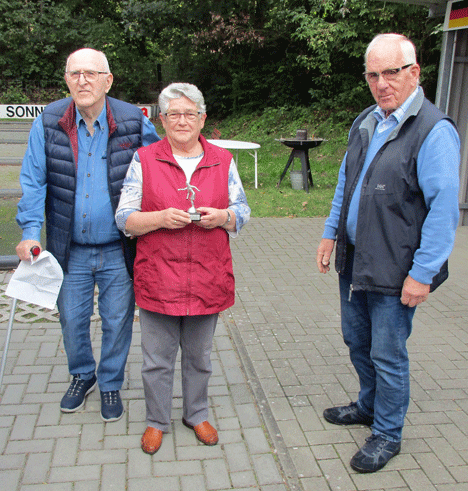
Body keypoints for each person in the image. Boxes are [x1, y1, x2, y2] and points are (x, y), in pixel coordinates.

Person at [316, 33, 460, 473]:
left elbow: (444, 210)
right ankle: (368, 405)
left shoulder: (434, 131)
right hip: (355, 259)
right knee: (356, 340)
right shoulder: (366, 120)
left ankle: (387, 433)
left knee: (388, 353)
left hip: (397, 268)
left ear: (414, 72)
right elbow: (346, 180)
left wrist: (423, 273)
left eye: (391, 73)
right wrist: (329, 233)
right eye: (373, 75)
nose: (381, 84)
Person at [15, 48, 160, 422]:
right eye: (74, 73)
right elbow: (33, 182)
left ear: (107, 81)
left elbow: (160, 169)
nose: (83, 80)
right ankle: (82, 375)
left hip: (119, 247)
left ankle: (110, 381)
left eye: (91, 73)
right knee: (72, 319)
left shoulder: (133, 121)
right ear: (66, 79)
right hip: (70, 249)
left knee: (117, 320)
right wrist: (30, 232)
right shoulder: (49, 122)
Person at [115, 82, 250, 454]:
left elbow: (242, 211)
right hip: (159, 276)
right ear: (162, 120)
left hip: (207, 275)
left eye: (190, 113)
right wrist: (159, 218)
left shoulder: (222, 160)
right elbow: (124, 218)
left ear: (202, 119)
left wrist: (223, 216)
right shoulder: (144, 159)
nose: (182, 121)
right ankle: (157, 421)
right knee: (156, 361)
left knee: (199, 357)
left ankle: (196, 413)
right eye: (174, 114)